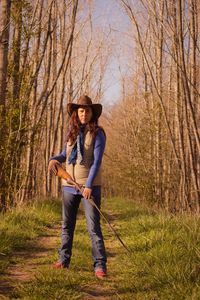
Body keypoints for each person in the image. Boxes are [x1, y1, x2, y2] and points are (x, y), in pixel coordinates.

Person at [48, 95, 107, 278]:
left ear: (91, 113)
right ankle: (63, 260)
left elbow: (96, 162)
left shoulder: (98, 133)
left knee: (93, 227)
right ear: (76, 113)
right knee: (67, 225)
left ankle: (100, 266)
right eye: (80, 110)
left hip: (90, 187)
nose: (83, 114)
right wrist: (54, 159)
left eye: (87, 110)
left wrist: (88, 185)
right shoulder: (71, 133)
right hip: (68, 186)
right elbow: (64, 155)